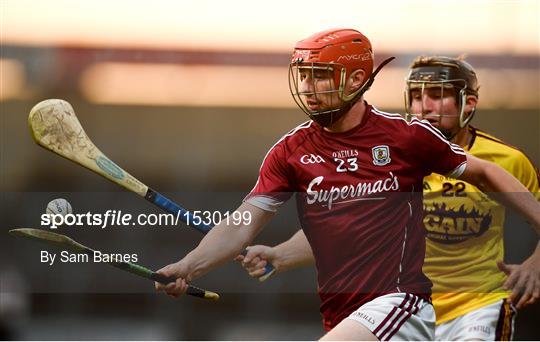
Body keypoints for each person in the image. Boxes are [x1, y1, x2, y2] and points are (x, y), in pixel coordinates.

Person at [154, 29, 540, 341]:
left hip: (401, 305)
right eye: (304, 75)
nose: (308, 86)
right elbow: (241, 224)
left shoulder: (405, 137)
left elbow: (486, 172)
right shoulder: (290, 152)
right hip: (344, 314)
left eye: (320, 75)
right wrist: (190, 266)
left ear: (357, 78)